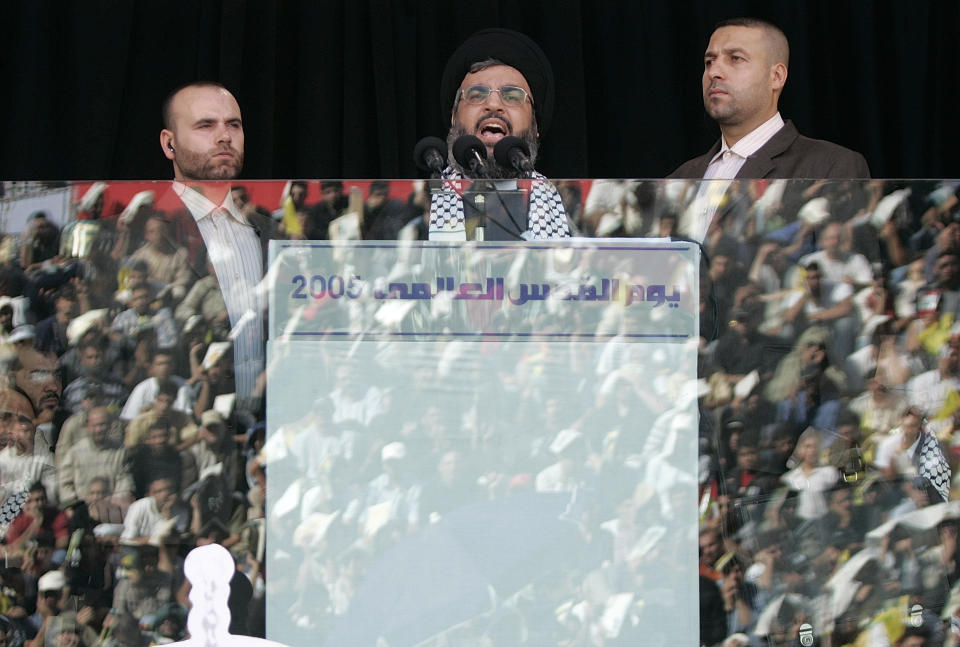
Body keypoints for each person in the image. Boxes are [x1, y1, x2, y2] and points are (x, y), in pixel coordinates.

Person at [158, 82, 275, 412]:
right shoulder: (155, 229)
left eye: (233, 125)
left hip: (269, 416)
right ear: (170, 144)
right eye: (205, 125)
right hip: (187, 416)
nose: (224, 136)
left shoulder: (270, 231)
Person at [670, 17, 870, 181]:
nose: (714, 71)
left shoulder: (830, 167)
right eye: (709, 61)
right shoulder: (680, 178)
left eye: (735, 58)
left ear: (776, 77)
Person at [429, 28, 570, 241]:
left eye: (512, 96)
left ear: (535, 125)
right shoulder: (421, 208)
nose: (493, 104)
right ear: (453, 118)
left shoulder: (569, 214)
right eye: (477, 94)